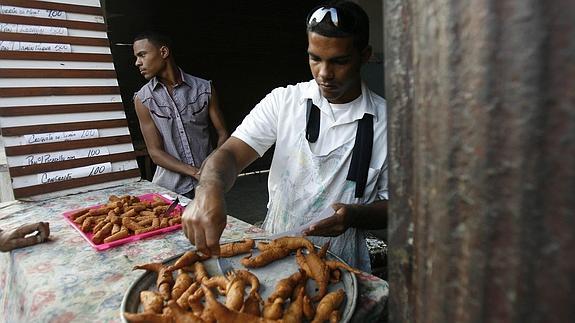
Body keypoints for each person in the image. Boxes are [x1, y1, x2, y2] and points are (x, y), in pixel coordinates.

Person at [182, 0, 387, 272]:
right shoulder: (285, 102)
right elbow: (230, 154)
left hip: (344, 262)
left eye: (339, 61)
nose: (324, 74)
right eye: (315, 58)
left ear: (365, 55)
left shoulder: (388, 123)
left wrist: (354, 216)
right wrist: (209, 188)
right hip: (274, 252)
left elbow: (398, 206)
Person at [133, 31, 229, 199]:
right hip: (170, 191)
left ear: (163, 52)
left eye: (142, 55)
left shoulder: (204, 89)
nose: (137, 63)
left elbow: (223, 134)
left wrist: (212, 165)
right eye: (136, 57)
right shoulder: (143, 99)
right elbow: (155, 153)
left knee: (213, 225)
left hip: (207, 186)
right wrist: (196, 172)